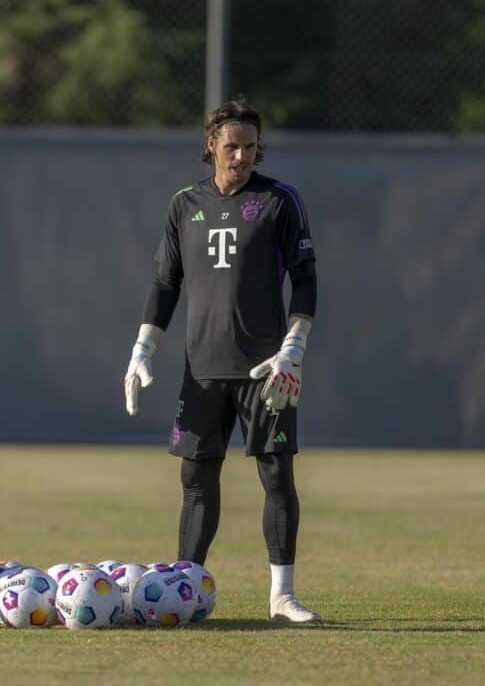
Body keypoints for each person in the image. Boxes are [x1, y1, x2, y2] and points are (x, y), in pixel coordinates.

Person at [124, 98, 320, 623]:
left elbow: (305, 278)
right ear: (211, 144)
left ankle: (282, 596)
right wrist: (143, 349)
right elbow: (166, 284)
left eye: (251, 148)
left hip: (267, 370)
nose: (241, 157)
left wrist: (294, 348)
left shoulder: (280, 200)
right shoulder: (184, 204)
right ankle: (182, 590)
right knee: (196, 480)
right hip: (202, 370)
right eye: (232, 146)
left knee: (277, 475)